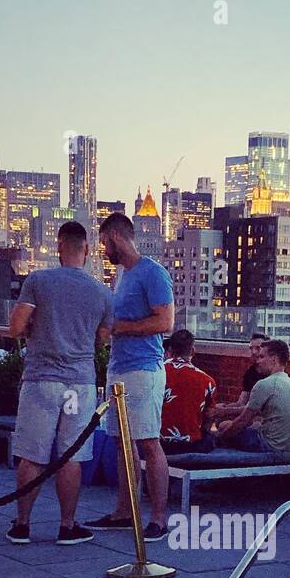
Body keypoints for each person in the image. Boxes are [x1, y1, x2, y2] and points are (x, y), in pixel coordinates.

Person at [4, 220, 113, 545]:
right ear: (88, 251)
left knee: (32, 454)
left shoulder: (38, 280)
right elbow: (103, 339)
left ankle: (22, 524)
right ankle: (68, 525)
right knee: (71, 456)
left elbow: (15, 327)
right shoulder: (102, 292)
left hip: (41, 380)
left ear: (59, 247)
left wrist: (37, 327)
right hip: (79, 384)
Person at [85, 211, 174, 541]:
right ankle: (125, 511)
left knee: (148, 442)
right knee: (123, 445)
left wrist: (122, 328)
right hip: (118, 368)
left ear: (117, 238)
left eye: (104, 242)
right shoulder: (120, 275)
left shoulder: (153, 273)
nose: (102, 249)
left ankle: (159, 518)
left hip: (144, 369)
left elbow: (165, 322)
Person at [214, 339, 290, 452]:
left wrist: (219, 438)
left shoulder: (264, 384)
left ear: (273, 360)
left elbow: (242, 422)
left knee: (225, 425)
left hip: (270, 447)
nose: (258, 361)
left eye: (262, 357)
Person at [160, 328, 217, 454]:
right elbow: (209, 418)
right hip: (191, 445)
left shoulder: (157, 374)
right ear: (192, 350)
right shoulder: (208, 381)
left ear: (170, 350)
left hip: (159, 444)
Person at [210, 333, 266, 422]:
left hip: (263, 417)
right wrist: (222, 407)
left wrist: (225, 411)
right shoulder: (251, 372)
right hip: (248, 414)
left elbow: (256, 409)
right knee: (217, 417)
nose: (254, 352)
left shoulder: (271, 374)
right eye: (251, 348)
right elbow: (241, 402)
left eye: (258, 348)